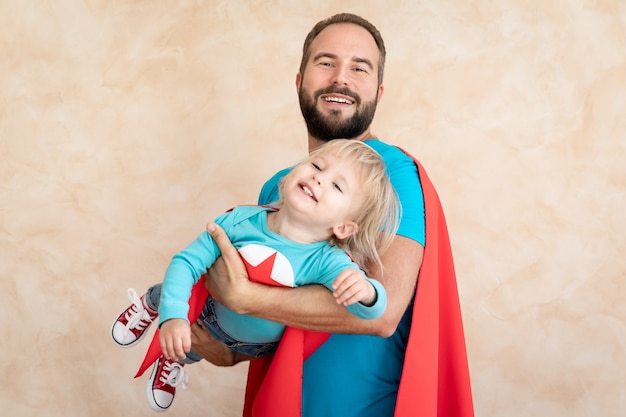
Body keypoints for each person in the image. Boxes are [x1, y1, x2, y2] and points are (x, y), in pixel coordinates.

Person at [189, 12, 474, 417]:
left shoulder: (393, 174)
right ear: (300, 79)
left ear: (377, 90)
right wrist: (230, 348)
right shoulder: (280, 187)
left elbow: (384, 312)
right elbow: (283, 316)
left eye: (359, 68)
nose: (341, 78)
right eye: (326, 62)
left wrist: (244, 296)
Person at [111, 139, 401, 412]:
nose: (319, 178)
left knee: (189, 348)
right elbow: (186, 262)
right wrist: (173, 316)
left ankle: (172, 357)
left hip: (254, 347)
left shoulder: (327, 261)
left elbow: (371, 311)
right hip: (208, 311)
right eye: (317, 166)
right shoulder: (241, 221)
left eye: (337, 186)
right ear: (289, 176)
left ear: (344, 228)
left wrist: (367, 291)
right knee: (180, 299)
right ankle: (152, 303)